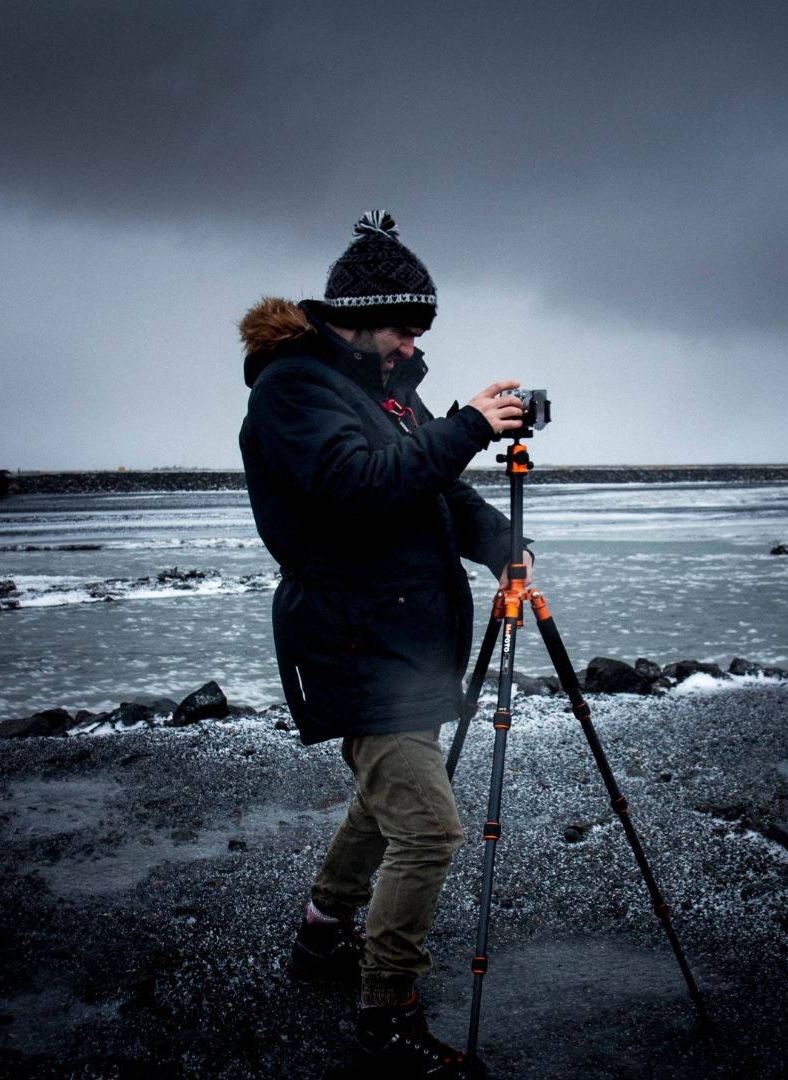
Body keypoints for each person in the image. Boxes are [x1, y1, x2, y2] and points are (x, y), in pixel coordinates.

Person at [237, 211, 529, 1076]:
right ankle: (386, 1009)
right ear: (357, 317)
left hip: (407, 637)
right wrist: (470, 426)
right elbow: (360, 487)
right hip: (353, 639)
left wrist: (505, 551)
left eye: (419, 333)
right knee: (431, 829)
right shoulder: (294, 389)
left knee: (389, 797)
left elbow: (432, 492)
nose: (412, 345)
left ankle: (324, 931)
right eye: (405, 327)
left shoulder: (385, 388)